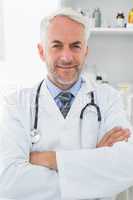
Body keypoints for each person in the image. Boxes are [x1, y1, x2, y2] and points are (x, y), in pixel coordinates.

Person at [0, 7, 132, 200]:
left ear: (86, 51)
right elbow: (8, 183)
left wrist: (49, 159)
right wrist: (95, 164)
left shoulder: (108, 99)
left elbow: (128, 163)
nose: (66, 56)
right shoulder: (17, 105)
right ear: (41, 51)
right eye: (57, 45)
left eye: (75, 46)